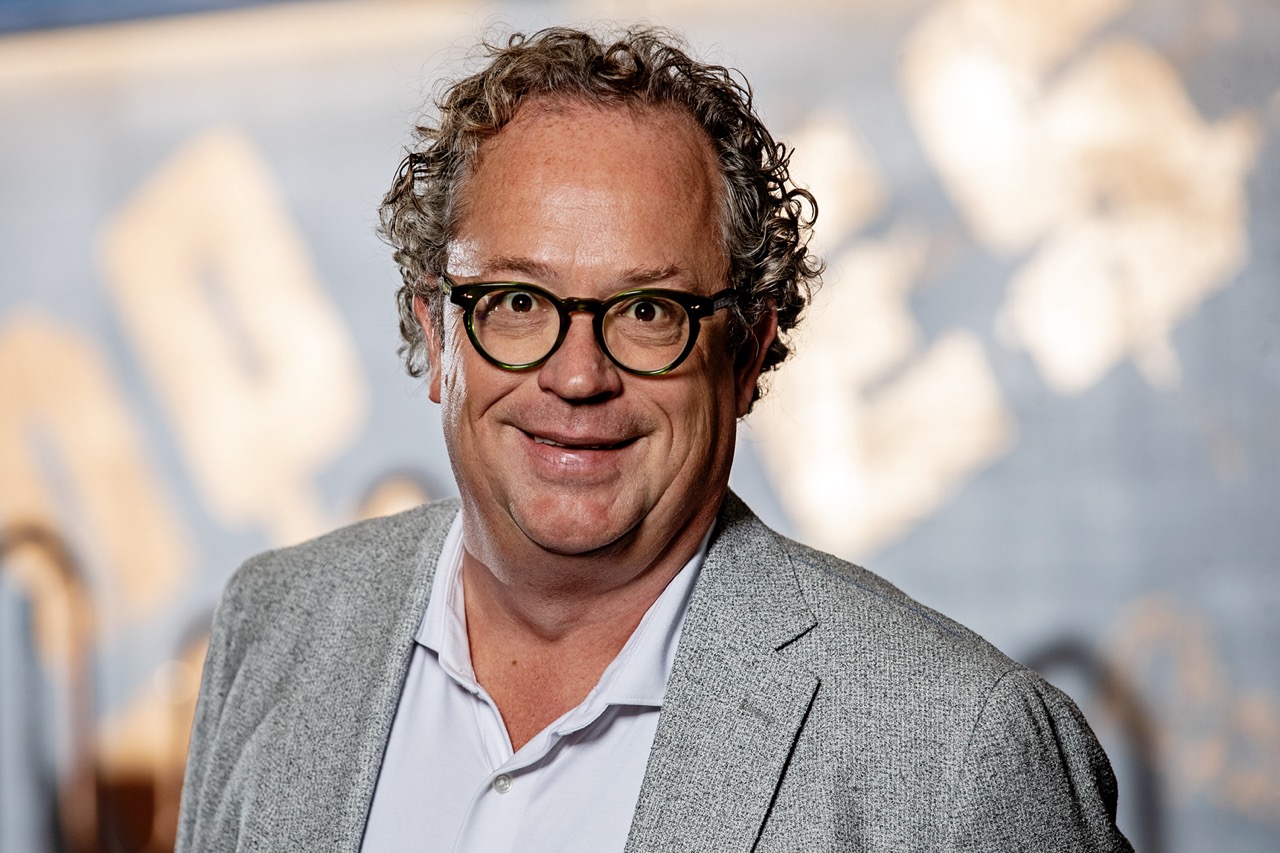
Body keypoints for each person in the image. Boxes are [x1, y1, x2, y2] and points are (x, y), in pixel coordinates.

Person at [176, 26, 1133, 852]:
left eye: (647, 310)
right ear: (437, 334)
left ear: (747, 351)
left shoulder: (959, 751)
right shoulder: (276, 625)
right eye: (517, 301)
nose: (577, 376)